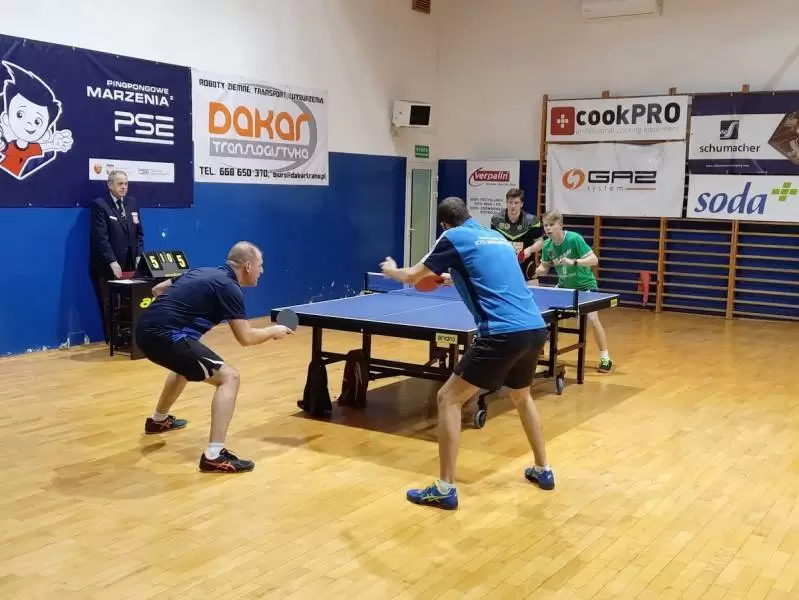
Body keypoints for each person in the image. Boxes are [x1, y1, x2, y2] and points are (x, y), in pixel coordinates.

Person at [379, 197, 554, 510]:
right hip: (534, 328)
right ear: (468, 214)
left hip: (501, 333)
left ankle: (444, 488)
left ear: (444, 223)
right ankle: (543, 469)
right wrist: (453, 276)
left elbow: (412, 276)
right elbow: (496, 276)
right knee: (521, 395)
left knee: (448, 398)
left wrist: (391, 270)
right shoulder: (496, 237)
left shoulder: (452, 236)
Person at [134, 241, 294, 473]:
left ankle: (158, 420)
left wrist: (171, 318)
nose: (262, 271)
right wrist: (273, 331)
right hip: (165, 336)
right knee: (230, 378)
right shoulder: (229, 287)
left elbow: (158, 290)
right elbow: (246, 338)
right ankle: (214, 455)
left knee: (185, 366)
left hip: (144, 331)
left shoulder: (202, 271)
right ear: (247, 266)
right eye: (260, 265)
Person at [535, 210, 613, 373]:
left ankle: (605, 357)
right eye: (545, 225)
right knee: (541, 316)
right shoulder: (547, 246)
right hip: (565, 287)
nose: (548, 228)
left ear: (560, 225)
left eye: (551, 225)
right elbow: (545, 266)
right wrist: (539, 270)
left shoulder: (574, 239)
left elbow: (594, 260)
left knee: (592, 318)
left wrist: (574, 262)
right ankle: (540, 352)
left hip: (585, 285)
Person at [88, 170, 144, 343]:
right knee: (109, 301)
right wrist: (112, 261)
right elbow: (101, 238)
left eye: (126, 183)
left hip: (130, 263)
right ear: (110, 185)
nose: (124, 187)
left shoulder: (132, 203)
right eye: (120, 184)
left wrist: (138, 256)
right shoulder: (99, 205)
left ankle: (127, 334)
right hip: (107, 264)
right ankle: (113, 337)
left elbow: (139, 234)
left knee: (129, 300)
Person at [490, 188, 544, 283]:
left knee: (532, 291)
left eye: (516, 203)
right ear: (506, 203)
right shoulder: (496, 220)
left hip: (526, 266)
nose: (513, 206)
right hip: (504, 265)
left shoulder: (532, 221)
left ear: (521, 204)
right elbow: (493, 243)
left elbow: (540, 242)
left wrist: (529, 250)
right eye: (510, 202)